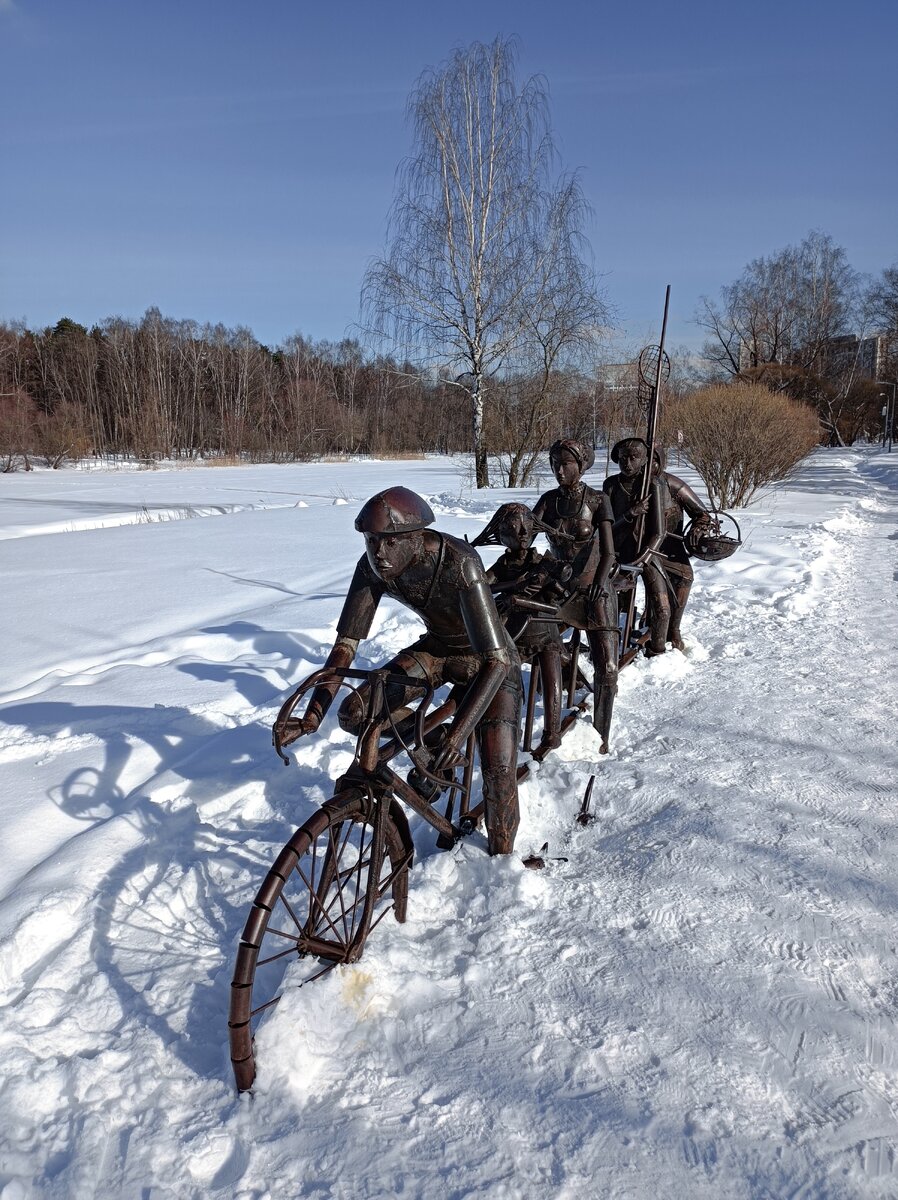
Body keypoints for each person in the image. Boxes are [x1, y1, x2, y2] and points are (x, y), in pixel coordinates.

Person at [275, 486, 522, 855]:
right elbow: (346, 645)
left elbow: (497, 660)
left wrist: (457, 737)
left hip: (492, 659)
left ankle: (502, 860)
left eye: (390, 542)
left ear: (416, 537)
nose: (379, 553)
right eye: (372, 541)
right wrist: (313, 717)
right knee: (357, 712)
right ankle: (428, 743)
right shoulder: (371, 567)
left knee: (498, 772)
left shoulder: (459, 562)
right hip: (437, 649)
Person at [532, 438, 619, 753]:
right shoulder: (548, 500)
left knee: (608, 669)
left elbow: (609, 552)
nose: (559, 470)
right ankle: (560, 688)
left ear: (581, 466)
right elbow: (526, 530)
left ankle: (601, 734)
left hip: (595, 587)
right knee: (535, 641)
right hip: (559, 589)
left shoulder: (597, 500)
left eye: (566, 463)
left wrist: (599, 580)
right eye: (554, 463)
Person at [473, 502, 567, 759]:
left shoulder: (543, 563)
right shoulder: (503, 565)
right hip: (512, 632)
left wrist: (526, 595)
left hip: (542, 629)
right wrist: (512, 584)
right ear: (501, 533)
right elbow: (483, 587)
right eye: (513, 527)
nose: (522, 532)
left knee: (551, 664)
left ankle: (553, 729)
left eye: (527, 525)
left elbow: (557, 602)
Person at [602, 438, 668, 654]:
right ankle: (609, 649)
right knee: (612, 604)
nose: (627, 464)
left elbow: (659, 531)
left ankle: (657, 650)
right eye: (622, 459)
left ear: (644, 460)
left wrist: (644, 557)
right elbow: (608, 525)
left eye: (633, 458)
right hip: (619, 552)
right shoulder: (611, 485)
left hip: (647, 552)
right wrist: (631, 513)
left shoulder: (653, 484)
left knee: (662, 608)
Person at [652, 449, 712, 650]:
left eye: (653, 460)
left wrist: (698, 528)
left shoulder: (673, 485)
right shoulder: (628, 485)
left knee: (685, 576)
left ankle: (673, 628)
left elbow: (702, 515)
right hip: (638, 548)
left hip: (670, 547)